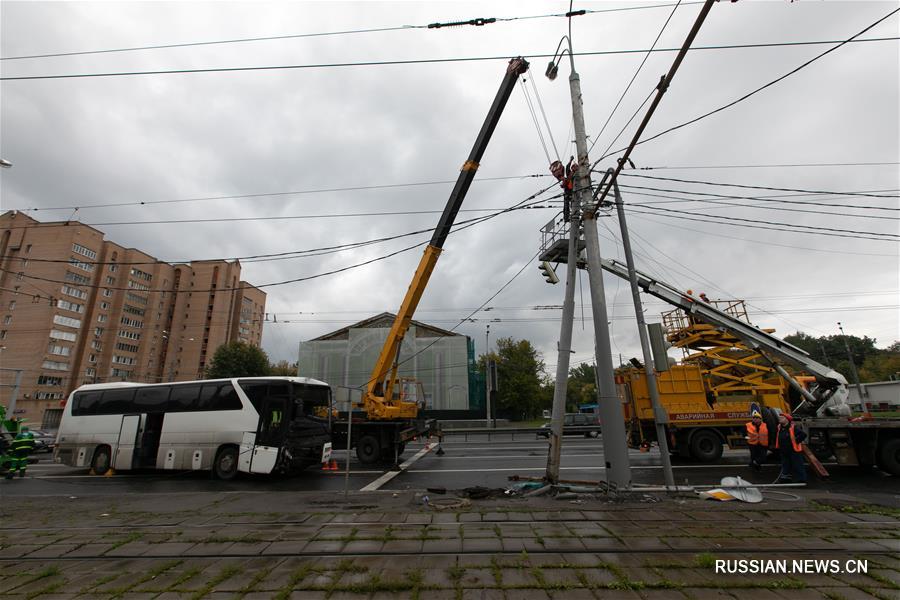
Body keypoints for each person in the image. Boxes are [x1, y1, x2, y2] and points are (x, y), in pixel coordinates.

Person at [775, 413, 806, 483]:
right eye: (779, 417)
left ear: (787, 420)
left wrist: (796, 441)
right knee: (785, 465)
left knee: (797, 465)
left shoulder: (793, 427)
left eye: (782, 418)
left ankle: (801, 480)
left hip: (794, 450)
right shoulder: (779, 427)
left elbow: (803, 435)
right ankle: (785, 478)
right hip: (784, 450)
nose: (780, 419)